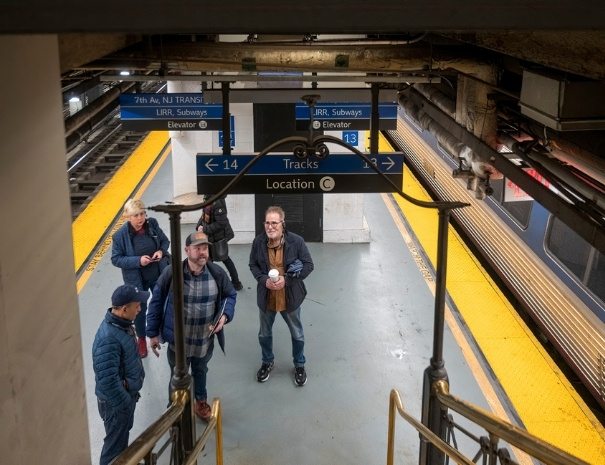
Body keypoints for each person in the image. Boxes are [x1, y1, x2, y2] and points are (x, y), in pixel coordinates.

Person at [146, 231, 237, 420]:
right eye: (198, 248)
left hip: (204, 340)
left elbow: (230, 295)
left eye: (205, 248)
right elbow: (156, 301)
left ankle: (200, 401)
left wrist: (225, 316)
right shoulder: (172, 273)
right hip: (178, 343)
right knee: (176, 375)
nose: (203, 252)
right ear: (187, 250)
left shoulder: (217, 273)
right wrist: (152, 332)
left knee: (201, 370)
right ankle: (173, 409)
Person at [249, 206, 314, 386]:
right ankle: (267, 361)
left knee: (297, 333)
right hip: (267, 297)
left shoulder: (297, 242)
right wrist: (263, 280)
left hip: (290, 297)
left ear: (282, 224)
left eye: (274, 223)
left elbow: (309, 265)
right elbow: (252, 265)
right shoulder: (258, 243)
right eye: (267, 223)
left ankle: (299, 365)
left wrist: (287, 280)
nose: (270, 227)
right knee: (264, 333)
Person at [92, 284, 150, 465]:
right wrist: (125, 404)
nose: (140, 309)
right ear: (125, 309)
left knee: (120, 440)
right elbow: (108, 381)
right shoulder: (109, 339)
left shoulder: (121, 325)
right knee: (113, 449)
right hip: (116, 405)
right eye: (137, 306)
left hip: (122, 401)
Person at [111, 199, 170, 358]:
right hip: (136, 280)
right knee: (139, 309)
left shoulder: (152, 224)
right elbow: (116, 259)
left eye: (142, 214)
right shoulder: (120, 236)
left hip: (157, 274)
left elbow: (165, 241)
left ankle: (166, 332)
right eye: (135, 215)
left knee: (163, 303)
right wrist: (138, 261)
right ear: (127, 217)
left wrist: (161, 252)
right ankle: (142, 339)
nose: (140, 218)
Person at [196, 194, 243, 291]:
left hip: (218, 237)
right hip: (210, 236)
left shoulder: (217, 202)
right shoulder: (208, 198)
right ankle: (209, 283)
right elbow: (203, 216)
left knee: (224, 258)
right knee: (210, 259)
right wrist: (199, 226)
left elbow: (221, 223)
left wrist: (205, 229)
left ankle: (236, 283)